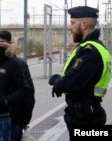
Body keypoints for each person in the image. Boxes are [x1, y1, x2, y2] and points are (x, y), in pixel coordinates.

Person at [48, 6, 111, 134]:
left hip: (86, 119)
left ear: (83, 25)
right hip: (86, 114)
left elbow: (69, 83)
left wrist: (56, 81)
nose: (69, 28)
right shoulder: (93, 47)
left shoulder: (90, 52)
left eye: (72, 23)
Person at [0, 30, 35, 141]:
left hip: (14, 116)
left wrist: (25, 119)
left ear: (10, 43)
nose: (0, 46)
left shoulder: (18, 63)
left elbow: (28, 93)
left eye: (3, 42)